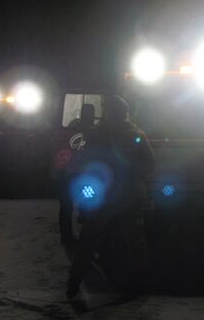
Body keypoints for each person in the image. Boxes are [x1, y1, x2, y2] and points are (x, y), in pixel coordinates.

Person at [66, 95, 154, 299]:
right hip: (130, 197)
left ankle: (74, 284)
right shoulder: (136, 134)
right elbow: (149, 164)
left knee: (88, 241)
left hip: (103, 197)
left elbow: (83, 163)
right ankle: (142, 285)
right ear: (125, 112)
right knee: (135, 242)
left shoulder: (96, 135)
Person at [53, 103, 96, 245]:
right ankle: (83, 237)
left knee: (68, 205)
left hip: (70, 172)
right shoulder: (92, 131)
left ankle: (68, 236)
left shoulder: (70, 128)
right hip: (81, 173)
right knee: (86, 201)